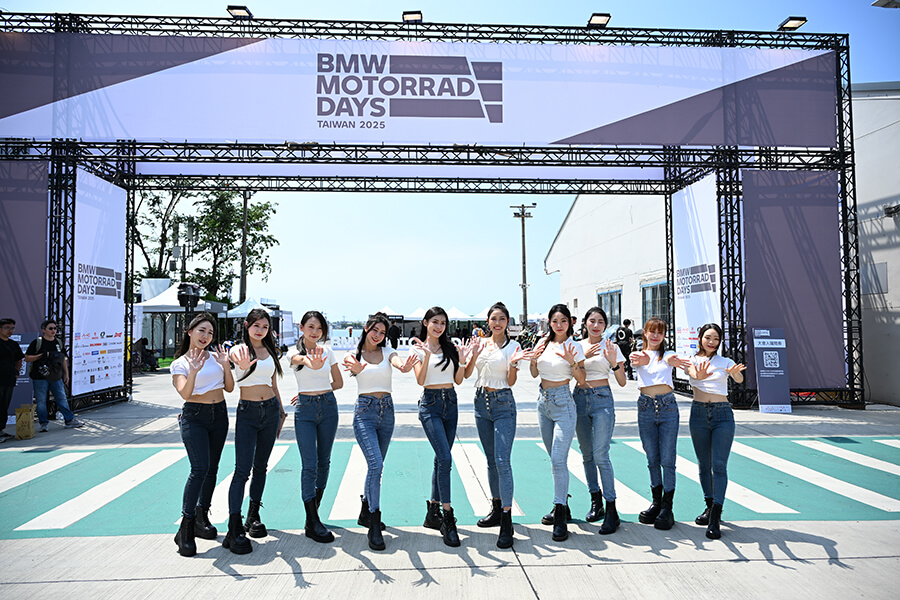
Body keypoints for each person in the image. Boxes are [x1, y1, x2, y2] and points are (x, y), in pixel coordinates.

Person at [342, 312, 418, 551]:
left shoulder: (388, 352)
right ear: (366, 328)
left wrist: (404, 366)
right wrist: (356, 368)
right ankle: (374, 522)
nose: (378, 335)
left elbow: (398, 363)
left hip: (387, 412)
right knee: (376, 465)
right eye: (375, 330)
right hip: (364, 413)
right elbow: (352, 366)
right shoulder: (354, 355)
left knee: (375, 467)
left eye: (383, 332)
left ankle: (365, 511)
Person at [463, 301, 531, 549]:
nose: (498, 322)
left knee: (502, 461)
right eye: (494, 318)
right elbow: (467, 374)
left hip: (503, 403)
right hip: (481, 403)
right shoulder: (480, 344)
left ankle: (506, 518)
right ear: (488, 322)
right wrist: (471, 355)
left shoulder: (514, 347)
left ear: (508, 322)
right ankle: (496, 507)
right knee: (491, 460)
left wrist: (513, 364)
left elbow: (511, 381)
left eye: (502, 318)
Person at [171, 313, 234, 557]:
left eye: (210, 332)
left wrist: (226, 365)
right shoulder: (180, 363)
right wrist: (194, 371)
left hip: (219, 414)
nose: (205, 336)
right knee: (199, 469)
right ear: (190, 331)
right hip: (195, 416)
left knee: (212, 469)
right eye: (201, 330)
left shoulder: (217, 358)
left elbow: (229, 388)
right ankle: (185, 527)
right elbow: (185, 393)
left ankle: (201, 516)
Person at [225, 308, 285, 554]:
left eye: (265, 327)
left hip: (270, 410)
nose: (260, 330)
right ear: (247, 326)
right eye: (256, 325)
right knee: (242, 470)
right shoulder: (239, 350)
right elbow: (233, 354)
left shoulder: (271, 351)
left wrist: (282, 412)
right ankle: (234, 525)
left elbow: (273, 383)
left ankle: (253, 515)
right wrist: (237, 359)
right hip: (248, 412)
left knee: (261, 466)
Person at [412, 306, 469, 547]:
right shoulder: (417, 348)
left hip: (451, 404)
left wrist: (463, 361)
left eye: (443, 323)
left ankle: (432, 513)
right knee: (445, 459)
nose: (439, 326)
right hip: (430, 405)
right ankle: (448, 516)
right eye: (435, 322)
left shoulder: (450, 347)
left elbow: (458, 380)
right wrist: (425, 356)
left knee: (440, 459)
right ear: (425, 323)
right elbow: (420, 380)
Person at [529, 303, 586, 542]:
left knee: (558, 459)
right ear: (549, 323)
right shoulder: (543, 343)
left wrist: (572, 362)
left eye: (563, 321)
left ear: (570, 322)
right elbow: (534, 373)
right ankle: (562, 505)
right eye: (555, 321)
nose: (559, 325)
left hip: (564, 402)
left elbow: (581, 379)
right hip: (543, 403)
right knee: (553, 457)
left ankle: (560, 513)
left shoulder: (574, 346)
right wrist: (534, 360)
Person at [684, 323, 746, 539]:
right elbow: (693, 373)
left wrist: (735, 374)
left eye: (716, 339)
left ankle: (716, 516)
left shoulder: (725, 361)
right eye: (708, 337)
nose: (711, 342)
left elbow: (739, 378)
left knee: (719, 465)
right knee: (704, 465)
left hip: (723, 415)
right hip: (699, 414)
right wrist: (699, 374)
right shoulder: (691, 360)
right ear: (700, 338)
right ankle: (709, 505)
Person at [630, 317, 691, 530]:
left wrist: (674, 361)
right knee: (652, 458)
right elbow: (636, 360)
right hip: (645, 407)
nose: (655, 336)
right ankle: (656, 503)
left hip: (667, 408)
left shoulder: (668, 355)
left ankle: (667, 507)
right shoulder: (638, 355)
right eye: (652, 331)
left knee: (668, 459)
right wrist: (643, 359)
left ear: (664, 336)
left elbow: (675, 360)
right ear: (645, 333)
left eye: (660, 332)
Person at [289, 310, 343, 543]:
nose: (315, 332)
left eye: (319, 328)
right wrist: (308, 361)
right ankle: (312, 521)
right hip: (305, 411)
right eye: (311, 327)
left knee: (324, 462)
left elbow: (338, 382)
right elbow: (297, 360)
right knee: (309, 464)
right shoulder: (292, 352)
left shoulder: (328, 352)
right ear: (301, 328)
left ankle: (313, 515)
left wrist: (318, 388)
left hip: (328, 406)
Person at [573, 307, 626, 535]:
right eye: (592, 321)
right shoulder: (576, 346)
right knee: (586, 454)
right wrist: (582, 358)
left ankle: (611, 508)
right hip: (579, 398)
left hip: (602, 399)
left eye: (600, 321)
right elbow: (569, 373)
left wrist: (614, 363)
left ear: (605, 324)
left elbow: (622, 381)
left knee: (601, 454)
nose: (596, 325)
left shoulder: (611, 346)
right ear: (585, 323)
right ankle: (596, 501)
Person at [23, 319, 83, 432]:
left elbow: (63, 359)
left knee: (62, 399)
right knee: (41, 401)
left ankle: (69, 420)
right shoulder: (37, 343)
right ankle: (43, 423)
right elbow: (27, 358)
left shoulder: (58, 342)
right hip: (40, 377)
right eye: (50, 328)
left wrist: (66, 374)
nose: (53, 330)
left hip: (56, 376)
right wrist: (41, 356)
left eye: (55, 328)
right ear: (43, 330)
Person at [0, 318, 24, 442]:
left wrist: (17, 372)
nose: (10, 330)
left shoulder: (13, 344)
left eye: (12, 328)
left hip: (9, 380)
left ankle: (1, 430)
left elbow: (19, 359)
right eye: (7, 328)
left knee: (4, 406)